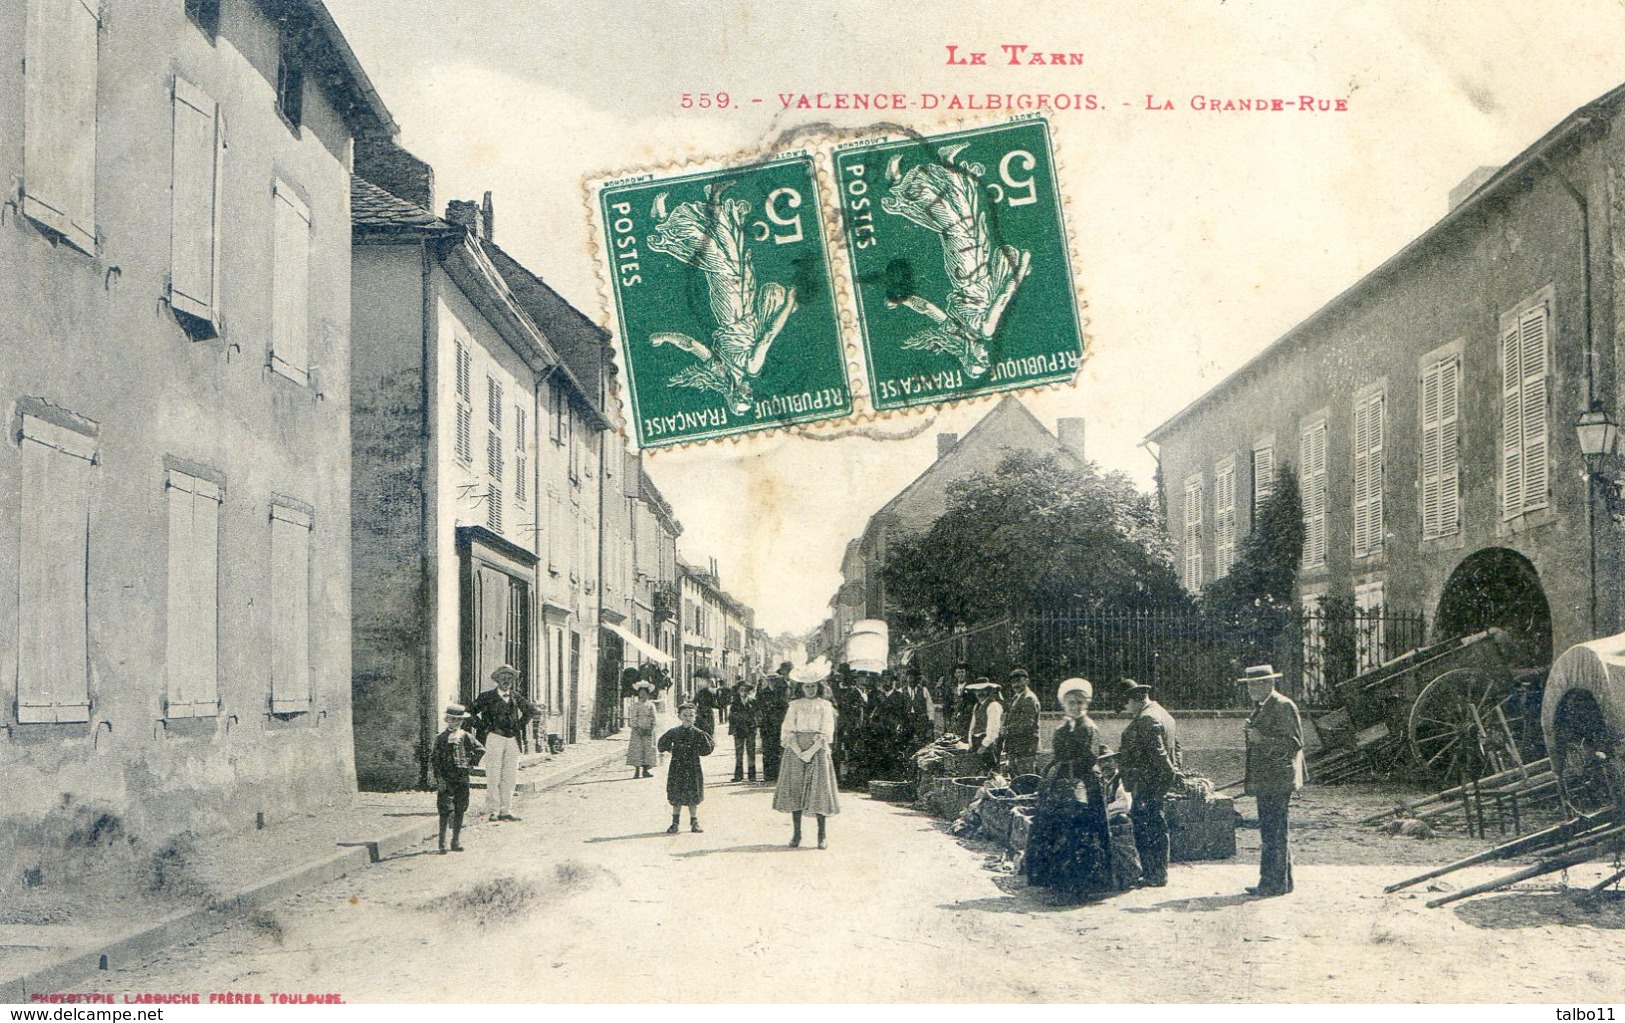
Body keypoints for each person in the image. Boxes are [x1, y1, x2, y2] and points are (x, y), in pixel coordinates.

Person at [1024, 678, 1115, 899]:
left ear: (1086, 703)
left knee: (1079, 831)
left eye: (1080, 702)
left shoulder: (1089, 727)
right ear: (1063, 704)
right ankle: (1056, 881)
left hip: (1083, 784)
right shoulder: (1061, 727)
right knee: (1054, 828)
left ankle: (1080, 885)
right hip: (1061, 784)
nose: (1075, 706)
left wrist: (1068, 773)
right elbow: (1057, 754)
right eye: (1071, 702)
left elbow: (1089, 757)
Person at [1241, 664, 1303, 897]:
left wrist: (1261, 739)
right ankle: (1279, 881)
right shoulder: (1263, 706)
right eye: (1248, 686)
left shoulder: (1282, 705)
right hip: (1267, 779)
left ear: (1268, 684)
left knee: (1274, 832)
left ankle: (1273, 884)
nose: (1251, 690)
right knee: (1271, 831)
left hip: (1277, 779)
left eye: (1255, 685)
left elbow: (1293, 744)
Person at [1118, 680, 1180, 888]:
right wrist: (1174, 771)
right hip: (1154, 783)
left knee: (1148, 828)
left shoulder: (1146, 719)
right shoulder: (1162, 712)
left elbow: (1159, 755)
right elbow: (1176, 747)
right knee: (1156, 826)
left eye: (1125, 705)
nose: (1126, 710)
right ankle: (1157, 872)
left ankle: (1154, 874)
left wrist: (1167, 776)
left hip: (1148, 784)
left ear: (1134, 700)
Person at [773, 672, 840, 848]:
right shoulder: (794, 705)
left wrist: (811, 751)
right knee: (796, 789)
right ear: (801, 688)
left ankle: (821, 835)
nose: (810, 689)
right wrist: (797, 750)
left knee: (819, 790)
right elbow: (788, 729)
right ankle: (796, 834)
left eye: (813, 686)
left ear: (819, 687)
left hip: (817, 749)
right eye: (806, 686)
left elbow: (826, 730)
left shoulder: (825, 705)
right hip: (796, 749)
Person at [468, 664, 535, 822]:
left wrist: (519, 725)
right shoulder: (486, 696)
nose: (506, 680)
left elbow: (530, 710)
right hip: (494, 738)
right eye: (503, 677)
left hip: (512, 740)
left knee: (510, 775)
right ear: (497, 679)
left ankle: (506, 809)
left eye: (510, 677)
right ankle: (493, 809)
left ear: (513, 680)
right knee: (493, 773)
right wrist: (484, 727)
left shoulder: (515, 696)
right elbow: (470, 711)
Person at [430, 703, 484, 854]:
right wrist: (439, 779)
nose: (455, 723)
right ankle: (441, 843)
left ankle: (455, 841)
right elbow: (435, 760)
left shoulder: (466, 736)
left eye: (458, 720)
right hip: (446, 778)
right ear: (447, 720)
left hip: (461, 778)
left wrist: (471, 763)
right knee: (444, 809)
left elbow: (480, 749)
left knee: (460, 808)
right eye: (452, 719)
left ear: (462, 721)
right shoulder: (441, 738)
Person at [658, 702, 715, 833]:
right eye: (685, 715)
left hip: (693, 768)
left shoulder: (698, 733)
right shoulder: (674, 732)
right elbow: (661, 743)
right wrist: (670, 749)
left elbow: (708, 747)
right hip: (677, 768)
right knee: (676, 794)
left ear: (695, 717)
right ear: (679, 716)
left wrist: (698, 750)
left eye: (691, 715)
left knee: (692, 795)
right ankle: (675, 823)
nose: (688, 718)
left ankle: (694, 822)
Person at [1002, 668, 1042, 775]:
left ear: (1027, 681)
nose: (1015, 685)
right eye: (1013, 682)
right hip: (1015, 746)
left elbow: (1026, 724)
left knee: (1026, 777)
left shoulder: (1029, 698)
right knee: (1015, 777)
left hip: (1026, 746)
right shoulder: (1016, 698)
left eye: (1019, 681)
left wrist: (1006, 729)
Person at [756, 671, 789, 783]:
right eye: (771, 680)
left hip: (779, 725)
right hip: (766, 725)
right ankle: (768, 775)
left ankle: (778, 774)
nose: (773, 682)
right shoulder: (763, 693)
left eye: (775, 680)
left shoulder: (781, 693)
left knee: (778, 750)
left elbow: (785, 708)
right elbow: (758, 708)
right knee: (767, 750)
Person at [965, 680, 1004, 769]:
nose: (980, 693)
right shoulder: (977, 706)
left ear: (988, 691)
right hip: (976, 741)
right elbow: (972, 727)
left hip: (988, 743)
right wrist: (971, 742)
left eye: (983, 690)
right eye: (977, 690)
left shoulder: (993, 705)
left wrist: (984, 746)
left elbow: (993, 731)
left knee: (991, 770)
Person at [627, 680, 659, 779]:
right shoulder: (636, 705)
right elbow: (633, 718)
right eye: (641, 693)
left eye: (644, 694)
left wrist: (651, 727)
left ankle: (646, 771)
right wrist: (636, 727)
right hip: (638, 731)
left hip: (648, 731)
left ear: (648, 694)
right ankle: (637, 771)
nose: (643, 695)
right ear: (638, 694)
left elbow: (654, 717)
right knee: (638, 750)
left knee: (648, 750)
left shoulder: (651, 705)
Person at [728, 678, 759, 781]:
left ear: (749, 691)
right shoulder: (735, 704)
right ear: (738, 691)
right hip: (739, 730)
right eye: (741, 690)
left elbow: (758, 714)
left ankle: (752, 775)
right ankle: (738, 775)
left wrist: (755, 724)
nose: (743, 692)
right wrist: (732, 730)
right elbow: (731, 717)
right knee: (739, 753)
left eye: (746, 690)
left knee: (751, 752)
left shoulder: (753, 702)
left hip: (751, 730)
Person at [902, 665, 936, 749]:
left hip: (921, 721)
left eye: (914, 677)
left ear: (917, 679)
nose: (912, 680)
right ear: (907, 678)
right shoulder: (901, 692)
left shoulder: (924, 690)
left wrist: (931, 719)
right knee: (907, 744)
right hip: (907, 721)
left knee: (922, 745)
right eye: (910, 677)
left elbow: (930, 706)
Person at [692, 671, 720, 739]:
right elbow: (714, 705)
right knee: (709, 729)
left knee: (699, 728)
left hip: (700, 712)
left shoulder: (699, 693)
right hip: (708, 712)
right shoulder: (711, 693)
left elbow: (694, 703)